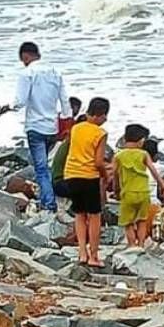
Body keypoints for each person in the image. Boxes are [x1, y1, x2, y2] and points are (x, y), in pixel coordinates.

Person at [0, 42, 73, 213]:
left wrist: (7, 107)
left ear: (25, 56)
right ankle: (48, 195)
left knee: (41, 167)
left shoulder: (27, 73)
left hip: (35, 126)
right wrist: (67, 120)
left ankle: (49, 203)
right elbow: (65, 101)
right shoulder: (55, 72)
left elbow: (20, 101)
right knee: (45, 165)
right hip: (52, 126)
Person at [64, 97, 110, 266]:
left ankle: (82, 252)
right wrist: (105, 175)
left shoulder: (76, 128)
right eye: (105, 116)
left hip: (71, 174)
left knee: (79, 214)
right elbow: (98, 162)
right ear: (99, 115)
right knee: (94, 216)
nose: (105, 120)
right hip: (88, 176)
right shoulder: (100, 133)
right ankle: (94, 256)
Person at [113, 124, 164, 247]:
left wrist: (116, 191)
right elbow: (154, 172)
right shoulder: (144, 154)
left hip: (128, 193)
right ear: (141, 141)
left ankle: (131, 245)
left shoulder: (118, 156)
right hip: (144, 192)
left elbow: (115, 176)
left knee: (128, 223)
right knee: (141, 221)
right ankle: (140, 244)